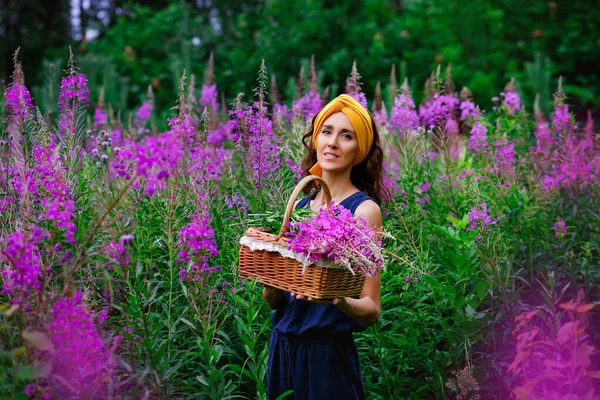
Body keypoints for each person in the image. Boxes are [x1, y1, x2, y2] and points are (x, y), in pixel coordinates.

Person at [262, 94, 388, 400]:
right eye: (327, 131)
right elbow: (274, 301)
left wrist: (338, 300)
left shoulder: (363, 211)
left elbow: (371, 310)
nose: (333, 142)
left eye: (346, 136)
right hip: (282, 349)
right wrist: (270, 278)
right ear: (316, 139)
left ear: (359, 150)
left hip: (326, 356)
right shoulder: (302, 204)